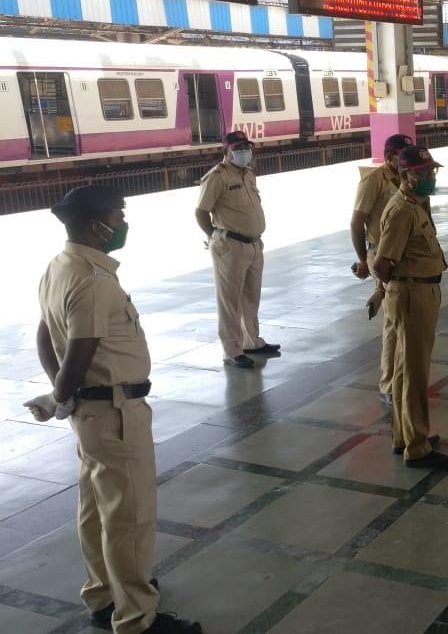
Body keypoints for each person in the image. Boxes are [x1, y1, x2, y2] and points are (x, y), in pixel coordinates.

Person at [27, 186, 202, 634]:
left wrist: (62, 395)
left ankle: (105, 594)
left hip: (91, 416)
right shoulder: (91, 280)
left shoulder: (59, 266)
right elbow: (77, 356)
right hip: (115, 413)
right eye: (117, 214)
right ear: (95, 224)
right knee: (129, 517)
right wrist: (59, 393)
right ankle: (137, 617)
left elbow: (45, 336)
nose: (123, 222)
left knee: (95, 509)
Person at [373, 145, 448, 469]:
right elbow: (381, 263)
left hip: (419, 291)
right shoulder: (403, 210)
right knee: (416, 375)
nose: (430, 177)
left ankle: (404, 436)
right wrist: (396, 288)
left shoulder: (416, 204)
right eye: (424, 173)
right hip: (412, 295)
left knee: (406, 372)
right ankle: (417, 446)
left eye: (432, 171)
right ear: (407, 176)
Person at [194, 131, 280, 369]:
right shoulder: (217, 177)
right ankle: (232, 350)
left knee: (251, 297)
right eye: (239, 148)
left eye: (247, 147)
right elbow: (201, 212)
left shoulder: (249, 174)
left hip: (253, 244)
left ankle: (251, 341)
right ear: (227, 151)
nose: (244, 152)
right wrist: (214, 236)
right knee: (229, 301)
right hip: (229, 245)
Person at [352, 133, 412, 408]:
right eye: (401, 156)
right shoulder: (373, 181)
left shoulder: (409, 176)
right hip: (383, 254)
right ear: (389, 157)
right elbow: (357, 221)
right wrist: (363, 259)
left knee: (403, 317)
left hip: (408, 253)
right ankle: (388, 384)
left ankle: (403, 376)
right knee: (391, 322)